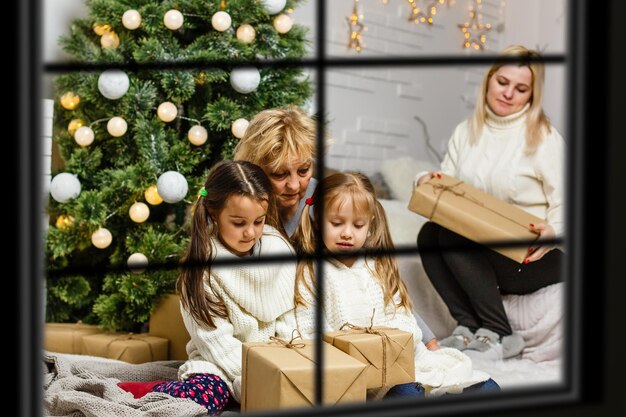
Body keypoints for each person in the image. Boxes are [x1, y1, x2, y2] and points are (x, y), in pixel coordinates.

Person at [233, 105, 442, 350]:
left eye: (303, 170)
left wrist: (428, 339)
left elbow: (378, 279)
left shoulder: (328, 201)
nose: (294, 185)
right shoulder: (245, 209)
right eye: (279, 174)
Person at [415, 45, 566, 361]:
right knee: (431, 233)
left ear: (531, 96)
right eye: (503, 82)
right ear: (489, 80)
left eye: (521, 88)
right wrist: (426, 181)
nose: (509, 93)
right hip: (487, 247)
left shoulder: (544, 137)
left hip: (535, 256)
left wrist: (555, 230)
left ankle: (500, 332)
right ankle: (468, 326)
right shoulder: (466, 131)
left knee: (452, 235)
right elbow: (448, 186)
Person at [292, 171, 499, 399]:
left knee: (489, 388)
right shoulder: (310, 273)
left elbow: (405, 319)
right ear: (318, 219)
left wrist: (397, 344)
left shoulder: (379, 268)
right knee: (407, 394)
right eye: (337, 223)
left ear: (370, 226)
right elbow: (309, 331)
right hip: (367, 376)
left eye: (358, 225)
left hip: (407, 361)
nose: (347, 234)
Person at [117, 160, 298, 414]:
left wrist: (284, 370)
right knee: (202, 399)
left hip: (276, 364)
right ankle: (147, 390)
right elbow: (217, 345)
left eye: (259, 221)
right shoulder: (200, 271)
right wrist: (255, 380)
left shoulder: (280, 250)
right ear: (214, 213)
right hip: (221, 365)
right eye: (238, 223)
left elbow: (291, 318)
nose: (250, 233)